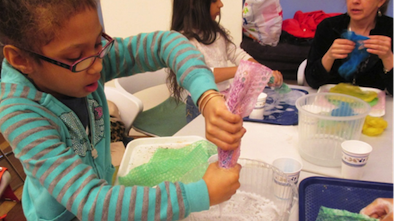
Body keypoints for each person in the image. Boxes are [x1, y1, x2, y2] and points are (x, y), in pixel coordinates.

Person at [0, 0, 246, 220]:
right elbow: (91, 201)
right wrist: (200, 194)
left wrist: (207, 96)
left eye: (98, 43)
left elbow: (166, 43)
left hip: (104, 189)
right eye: (76, 56)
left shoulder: (89, 62)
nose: (98, 66)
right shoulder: (20, 114)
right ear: (22, 60)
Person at [170, 0, 283, 123]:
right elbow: (201, 75)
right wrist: (243, 69)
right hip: (201, 106)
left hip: (224, 100)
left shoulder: (215, 32)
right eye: (214, 0)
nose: (221, 4)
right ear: (193, 3)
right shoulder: (183, 41)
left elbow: (237, 54)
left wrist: (264, 72)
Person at [305, 0, 394, 95]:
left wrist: (388, 58)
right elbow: (312, 81)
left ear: (380, 2)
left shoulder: (390, 30)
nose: (355, 1)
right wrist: (329, 57)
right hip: (330, 101)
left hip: (375, 104)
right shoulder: (328, 27)